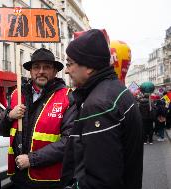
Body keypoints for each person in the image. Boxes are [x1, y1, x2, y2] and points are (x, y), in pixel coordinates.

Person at [61, 29, 143, 189]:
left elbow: (101, 181)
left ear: (89, 67)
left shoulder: (99, 105)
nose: (66, 70)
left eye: (70, 63)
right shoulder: (115, 91)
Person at [0, 48, 77, 189]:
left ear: (55, 71)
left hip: (50, 181)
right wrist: (9, 116)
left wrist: (31, 159)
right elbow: (3, 131)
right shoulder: (17, 94)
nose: (41, 71)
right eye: (36, 67)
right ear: (31, 71)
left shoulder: (67, 97)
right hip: (19, 178)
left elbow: (70, 141)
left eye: (46, 67)